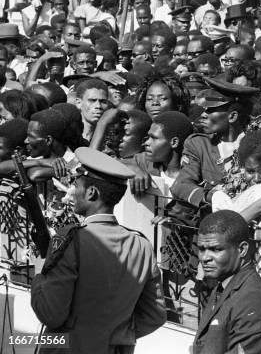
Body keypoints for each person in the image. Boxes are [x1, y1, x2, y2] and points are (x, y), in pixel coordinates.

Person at [30, 147, 167, 354]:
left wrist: (39, 278)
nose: (71, 192)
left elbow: (51, 313)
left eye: (75, 185)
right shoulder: (141, 244)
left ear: (91, 193)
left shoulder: (70, 239)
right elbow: (154, 315)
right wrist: (114, 335)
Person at [193, 209, 261, 354]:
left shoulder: (253, 298)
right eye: (202, 249)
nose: (205, 257)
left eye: (215, 249)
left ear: (242, 249)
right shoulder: (225, 284)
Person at [170, 83, 258, 207]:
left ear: (232, 116)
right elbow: (180, 185)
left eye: (211, 110)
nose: (203, 115)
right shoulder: (199, 144)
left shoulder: (257, 145)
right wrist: (210, 196)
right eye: (205, 110)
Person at [75, 78, 109, 143]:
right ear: (79, 103)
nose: (98, 106)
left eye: (103, 101)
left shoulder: (109, 140)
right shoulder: (69, 137)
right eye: (92, 100)